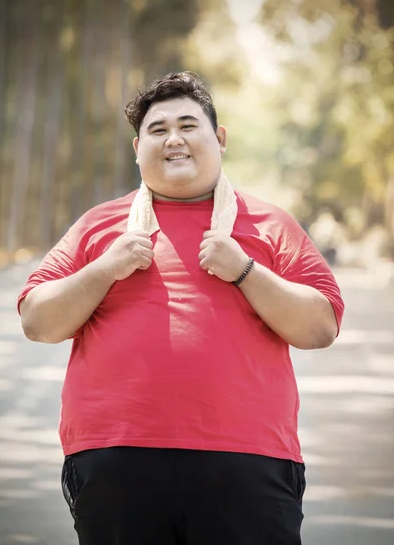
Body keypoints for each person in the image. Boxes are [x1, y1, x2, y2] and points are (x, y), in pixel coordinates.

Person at [18, 71, 344, 545]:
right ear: (136, 148)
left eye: (189, 125)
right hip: (116, 460)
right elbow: (37, 321)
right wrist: (105, 268)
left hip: (249, 461)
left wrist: (245, 270)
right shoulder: (99, 226)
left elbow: (321, 326)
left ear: (220, 137)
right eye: (158, 130)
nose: (174, 139)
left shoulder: (270, 225)